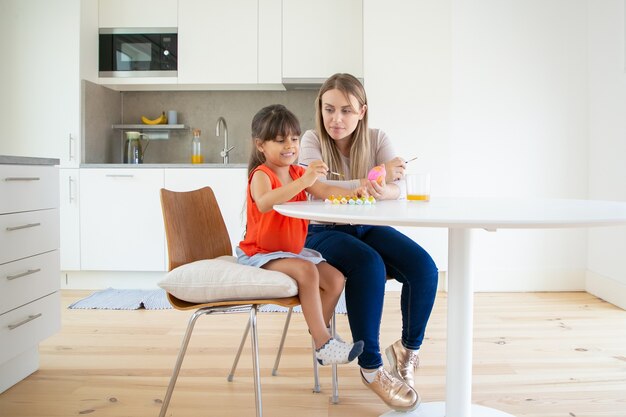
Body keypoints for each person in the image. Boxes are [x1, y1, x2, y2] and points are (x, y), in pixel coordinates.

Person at [299, 73, 439, 412]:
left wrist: (382, 188)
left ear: (362, 111)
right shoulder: (311, 140)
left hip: (366, 225)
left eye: (346, 111)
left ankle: (406, 351)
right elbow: (315, 188)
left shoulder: (378, 138)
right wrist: (368, 179)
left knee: (424, 269)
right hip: (321, 231)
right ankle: (372, 367)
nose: (336, 119)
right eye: (329, 109)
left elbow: (396, 188)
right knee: (368, 264)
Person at [237, 104, 366, 366]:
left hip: (291, 251)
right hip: (261, 253)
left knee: (335, 279)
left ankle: (322, 338)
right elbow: (264, 202)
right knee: (308, 271)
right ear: (261, 145)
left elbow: (325, 190)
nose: (290, 145)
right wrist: (304, 182)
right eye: (280, 140)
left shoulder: (298, 173)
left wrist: (353, 193)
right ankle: (323, 343)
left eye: (294, 139)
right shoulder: (262, 175)